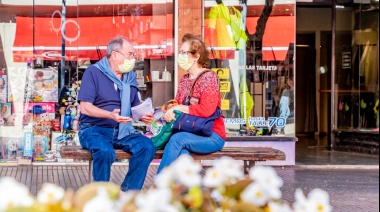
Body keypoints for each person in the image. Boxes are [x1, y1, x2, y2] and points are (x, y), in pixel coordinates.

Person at [78, 36, 156, 191]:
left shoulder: (130, 76)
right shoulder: (93, 72)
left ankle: (128, 193)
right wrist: (110, 115)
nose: (133, 58)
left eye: (134, 55)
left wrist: (143, 115)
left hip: (123, 130)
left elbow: (134, 106)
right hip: (94, 129)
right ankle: (102, 196)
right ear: (114, 55)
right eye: (130, 54)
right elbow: (85, 107)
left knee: (146, 146)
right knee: (104, 151)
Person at [157, 33, 226, 173]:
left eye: (184, 52)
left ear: (196, 56)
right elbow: (177, 104)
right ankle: (179, 191)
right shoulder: (185, 79)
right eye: (180, 52)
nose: (180, 56)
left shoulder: (209, 78)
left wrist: (178, 107)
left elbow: (207, 110)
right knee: (181, 155)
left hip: (212, 136)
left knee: (177, 139)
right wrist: (170, 112)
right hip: (191, 132)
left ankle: (157, 186)